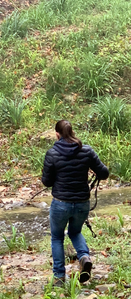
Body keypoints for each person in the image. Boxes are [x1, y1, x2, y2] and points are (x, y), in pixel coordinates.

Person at [42, 120, 109, 286]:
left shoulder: (52, 153)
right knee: (75, 232)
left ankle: (58, 278)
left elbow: (47, 182)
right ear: (72, 132)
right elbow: (104, 173)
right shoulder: (86, 151)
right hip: (81, 203)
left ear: (57, 134)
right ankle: (84, 257)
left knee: (57, 238)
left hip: (60, 203)